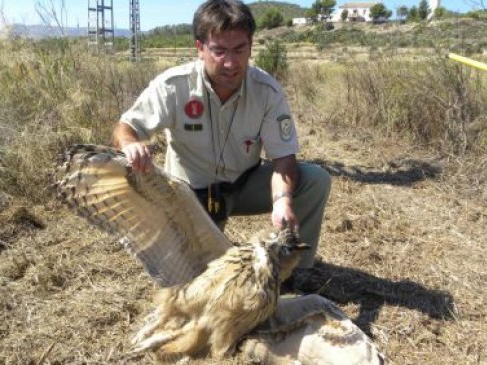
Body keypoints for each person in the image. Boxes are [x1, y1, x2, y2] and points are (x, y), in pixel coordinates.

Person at [112, 0, 331, 288]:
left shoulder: (266, 91)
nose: (230, 63)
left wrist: (282, 201)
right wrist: (130, 144)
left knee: (315, 180)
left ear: (251, 46)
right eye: (219, 51)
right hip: (189, 196)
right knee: (197, 281)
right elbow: (124, 128)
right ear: (200, 48)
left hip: (243, 184)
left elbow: (283, 159)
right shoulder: (174, 85)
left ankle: (293, 274)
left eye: (240, 50)